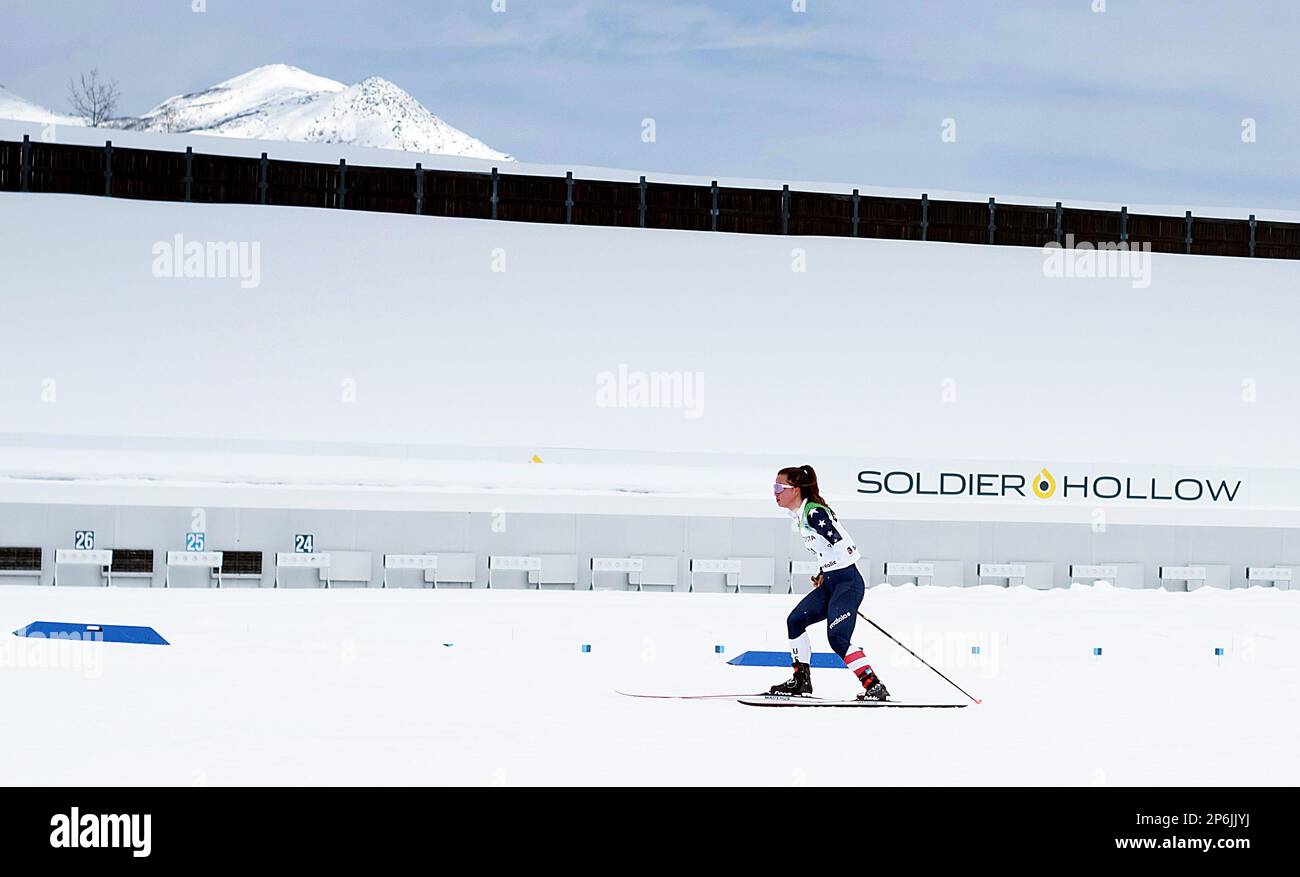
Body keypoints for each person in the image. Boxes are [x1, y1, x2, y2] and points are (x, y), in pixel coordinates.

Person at [770, 465, 889, 701]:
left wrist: (833, 567)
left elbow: (842, 542)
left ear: (795, 489)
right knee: (795, 621)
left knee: (837, 638)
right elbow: (826, 549)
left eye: (779, 487)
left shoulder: (814, 514)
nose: (775, 492)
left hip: (847, 583)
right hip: (831, 583)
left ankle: (874, 685)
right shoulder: (802, 514)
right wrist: (823, 571)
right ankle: (801, 680)